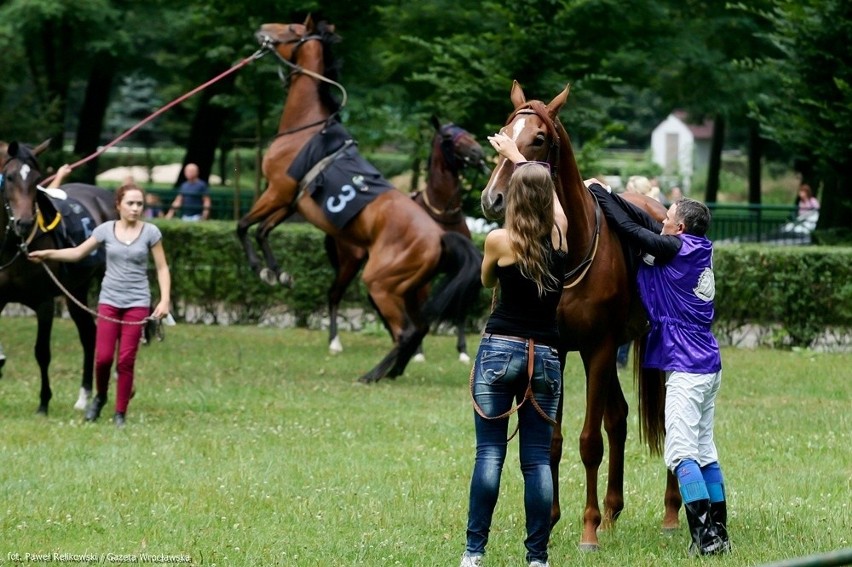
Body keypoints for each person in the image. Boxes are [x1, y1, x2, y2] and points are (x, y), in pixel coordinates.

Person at [585, 178, 731, 556]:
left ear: (679, 228)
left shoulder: (673, 249)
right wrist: (615, 194)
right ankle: (720, 531)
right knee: (705, 452)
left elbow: (631, 228)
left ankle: (705, 540)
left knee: (681, 454)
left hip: (686, 366)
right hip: (708, 363)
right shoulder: (697, 247)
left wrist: (597, 192)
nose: (662, 222)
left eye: (667, 217)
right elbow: (642, 221)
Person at [459, 133, 568, 567]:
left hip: (500, 349)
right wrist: (522, 159)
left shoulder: (498, 241)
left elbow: (487, 282)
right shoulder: (558, 240)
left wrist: (511, 158)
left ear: (514, 200)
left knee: (489, 454)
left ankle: (474, 553)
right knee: (537, 461)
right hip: (545, 356)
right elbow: (555, 208)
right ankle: (537, 558)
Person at [29, 181, 171, 427]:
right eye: (130, 203)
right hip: (109, 301)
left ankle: (120, 413)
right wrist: (47, 254)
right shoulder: (105, 230)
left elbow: (162, 267)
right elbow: (77, 253)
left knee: (125, 361)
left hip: (137, 303)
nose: (135, 208)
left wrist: (164, 300)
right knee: (103, 358)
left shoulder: (151, 233)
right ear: (118, 205)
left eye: (139, 204)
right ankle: (101, 396)